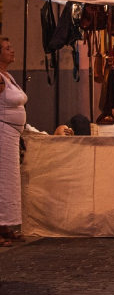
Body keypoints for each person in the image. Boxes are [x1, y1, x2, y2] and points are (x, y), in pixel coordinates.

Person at [0, 36, 71, 244]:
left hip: (12, 134)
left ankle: (5, 226)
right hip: (2, 133)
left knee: (9, 182)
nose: (12, 50)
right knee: (2, 179)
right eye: (7, 48)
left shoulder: (8, 76)